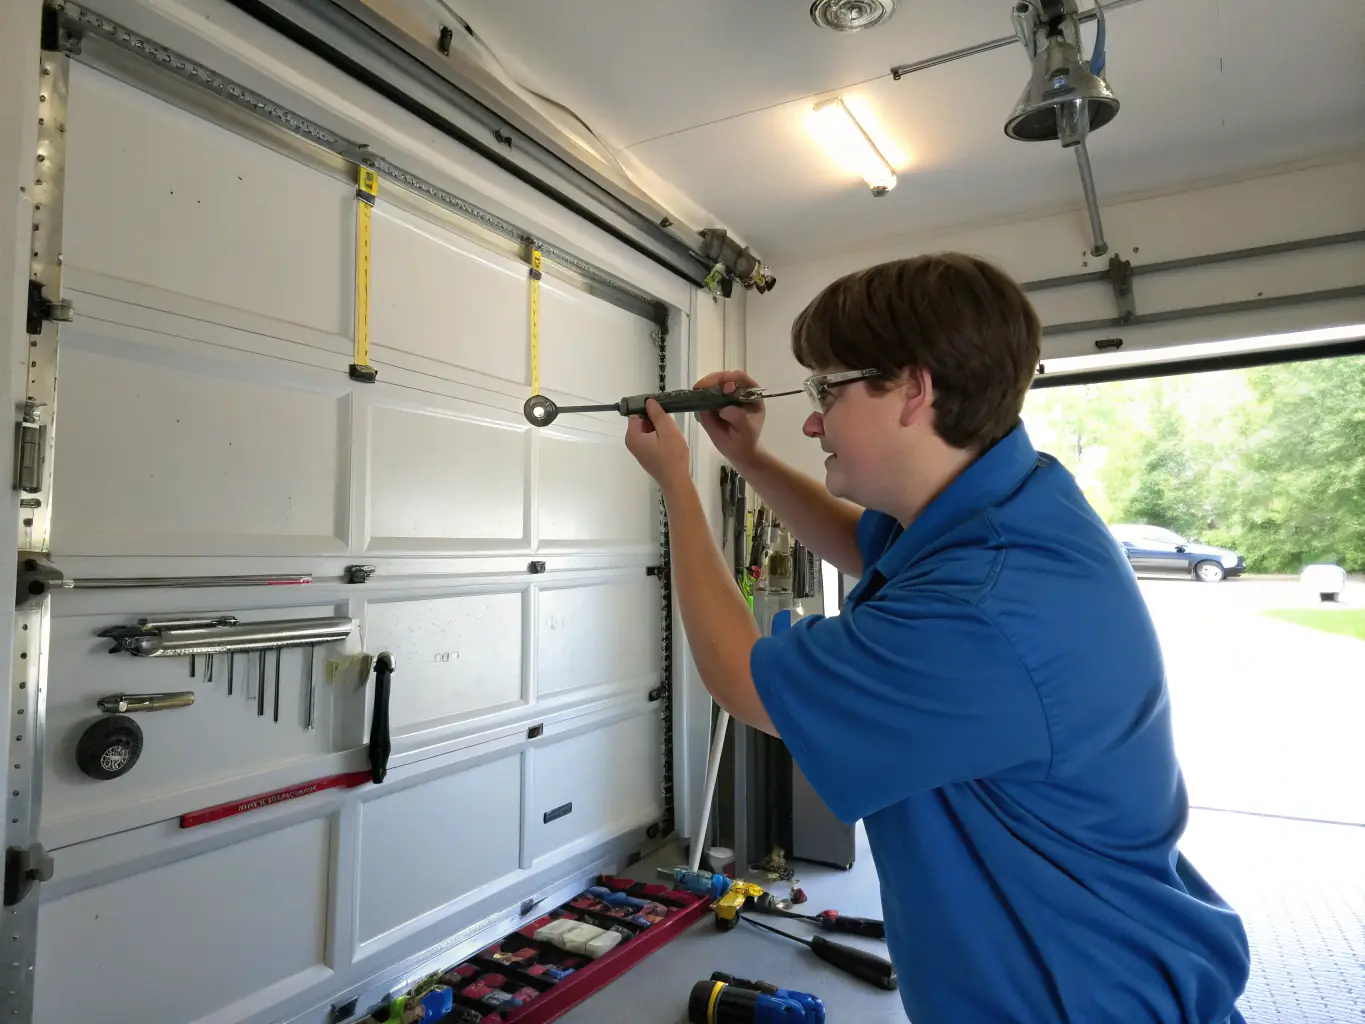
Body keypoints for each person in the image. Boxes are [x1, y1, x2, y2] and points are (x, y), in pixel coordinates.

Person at [622, 253, 1251, 1024]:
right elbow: (869, 547)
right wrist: (744, 457)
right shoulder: (1005, 503)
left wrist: (678, 489)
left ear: (913, 389)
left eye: (828, 388)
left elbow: (740, 678)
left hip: (1075, 999)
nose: (813, 417)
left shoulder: (985, 610)